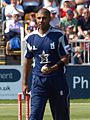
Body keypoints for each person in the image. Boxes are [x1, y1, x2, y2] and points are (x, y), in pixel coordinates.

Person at [22, 8, 70, 120]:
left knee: (61, 117)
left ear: (49, 19)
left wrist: (52, 68)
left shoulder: (59, 35)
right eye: (39, 18)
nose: (41, 20)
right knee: (34, 116)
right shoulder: (30, 38)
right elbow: (27, 61)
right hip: (38, 82)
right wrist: (24, 82)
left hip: (57, 80)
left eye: (44, 18)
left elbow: (66, 58)